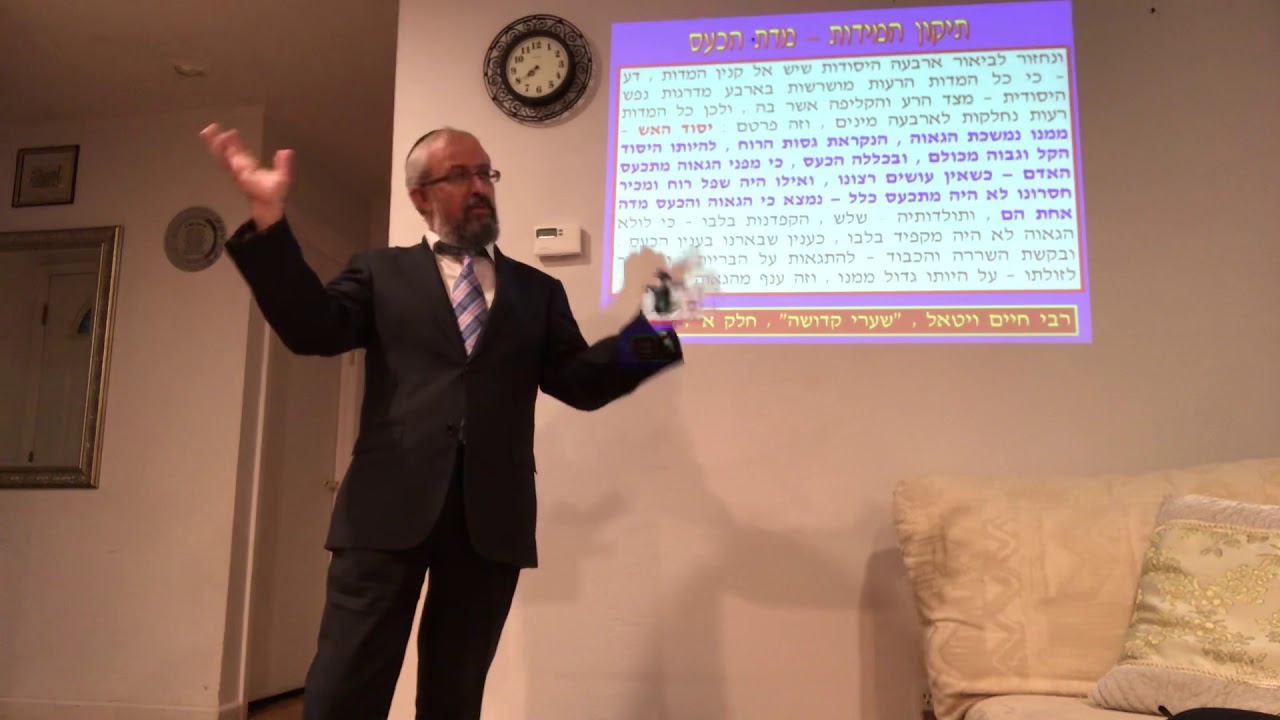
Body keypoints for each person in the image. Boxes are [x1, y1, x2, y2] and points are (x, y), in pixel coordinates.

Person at [199, 124, 683, 720]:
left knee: (456, 695)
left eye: (486, 173)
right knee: (346, 685)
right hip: (384, 508)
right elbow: (311, 329)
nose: (479, 186)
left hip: (492, 517)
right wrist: (269, 219)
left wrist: (658, 322)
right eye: (460, 175)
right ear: (420, 195)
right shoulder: (378, 271)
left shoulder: (537, 291)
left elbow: (581, 382)